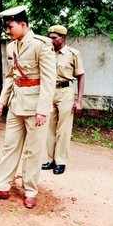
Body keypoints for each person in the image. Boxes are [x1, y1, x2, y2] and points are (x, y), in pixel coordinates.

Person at [0, 6, 57, 209]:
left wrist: (43, 109)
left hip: (35, 106)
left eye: (10, 26)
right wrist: (2, 101)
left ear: (23, 24)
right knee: (9, 146)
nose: (7, 30)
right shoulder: (12, 47)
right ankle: (1, 186)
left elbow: (49, 80)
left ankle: (30, 190)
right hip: (16, 104)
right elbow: (11, 77)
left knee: (33, 150)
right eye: (6, 27)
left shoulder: (41, 45)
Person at [42, 25, 85, 175]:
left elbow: (80, 76)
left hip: (66, 91)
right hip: (49, 91)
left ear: (63, 38)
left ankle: (60, 161)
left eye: (55, 38)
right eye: (50, 37)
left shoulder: (73, 54)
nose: (51, 40)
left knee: (64, 129)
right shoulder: (47, 53)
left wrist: (79, 100)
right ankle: (49, 159)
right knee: (49, 127)